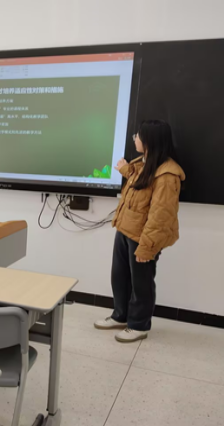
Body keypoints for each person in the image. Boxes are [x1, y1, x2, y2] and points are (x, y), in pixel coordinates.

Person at [94, 120, 185, 343]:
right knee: (119, 276)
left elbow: (161, 216)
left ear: (150, 140)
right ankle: (120, 316)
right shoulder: (145, 163)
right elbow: (141, 183)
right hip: (125, 229)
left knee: (141, 283)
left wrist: (147, 247)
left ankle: (138, 325)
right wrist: (125, 170)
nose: (134, 138)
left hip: (144, 236)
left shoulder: (167, 174)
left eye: (138, 135)